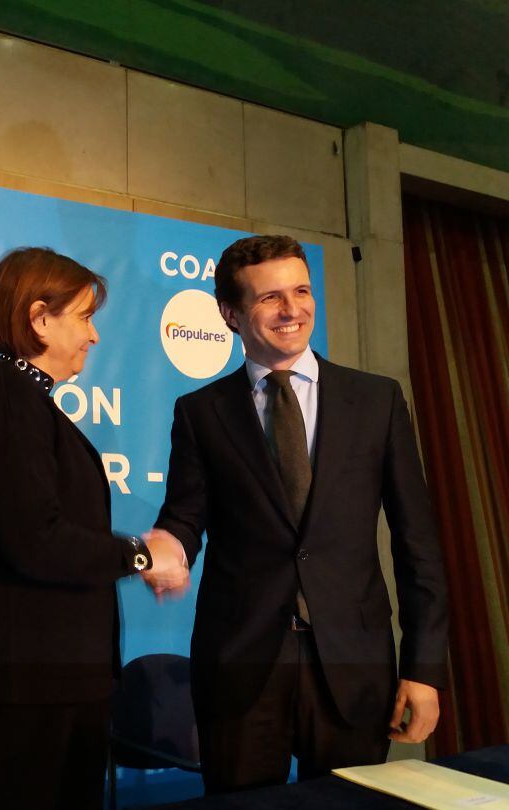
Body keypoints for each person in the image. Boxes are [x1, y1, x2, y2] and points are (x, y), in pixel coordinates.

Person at [145, 234, 449, 793]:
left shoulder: (377, 399)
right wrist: (168, 545)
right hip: (240, 663)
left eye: (302, 291)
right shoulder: (200, 414)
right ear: (231, 314)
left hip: (353, 662)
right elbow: (186, 517)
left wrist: (424, 669)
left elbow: (418, 543)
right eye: (270, 299)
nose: (293, 310)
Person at [0, 247, 187, 810]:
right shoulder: (8, 407)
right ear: (40, 318)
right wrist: (142, 556)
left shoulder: (24, 404)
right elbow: (36, 541)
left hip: (49, 685)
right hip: (21, 694)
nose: (93, 337)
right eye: (85, 317)